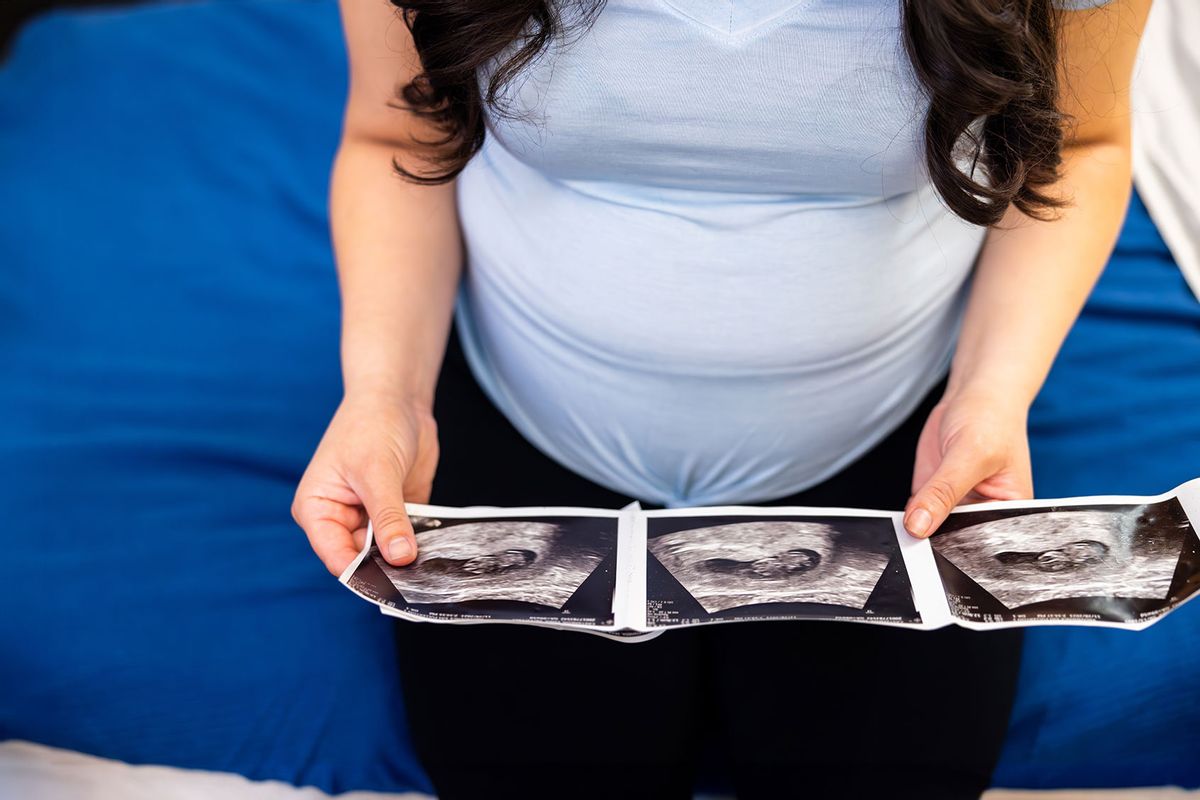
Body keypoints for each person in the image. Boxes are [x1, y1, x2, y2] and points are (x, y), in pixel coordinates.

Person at [292, 0, 1151, 797]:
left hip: (898, 453)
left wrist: (992, 393)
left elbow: (1079, 144)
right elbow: (394, 129)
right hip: (524, 431)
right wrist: (387, 395)